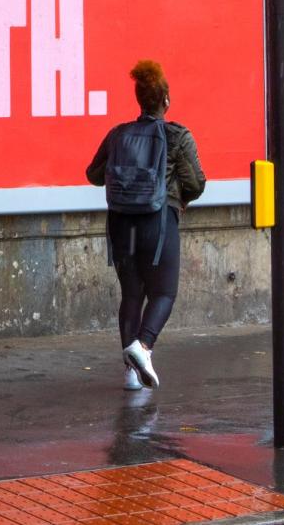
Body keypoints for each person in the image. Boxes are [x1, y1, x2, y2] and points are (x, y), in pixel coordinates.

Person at [86, 60, 206, 391]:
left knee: (132, 294)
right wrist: (180, 196)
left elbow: (93, 174)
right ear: (165, 100)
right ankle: (143, 346)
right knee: (163, 292)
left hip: (122, 224)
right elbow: (196, 182)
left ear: (140, 99)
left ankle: (131, 373)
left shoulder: (118, 135)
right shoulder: (177, 135)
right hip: (159, 222)